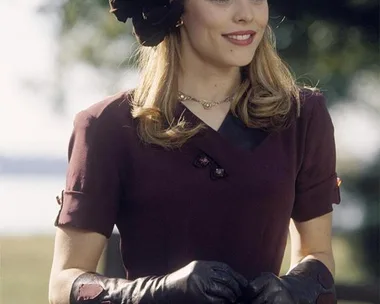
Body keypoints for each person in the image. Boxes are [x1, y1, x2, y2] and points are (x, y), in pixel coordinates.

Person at [48, 0, 342, 303]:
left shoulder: (302, 116)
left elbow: (316, 254)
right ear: (175, 9)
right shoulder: (107, 126)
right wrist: (154, 294)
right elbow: (64, 283)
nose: (246, 14)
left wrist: (295, 291)